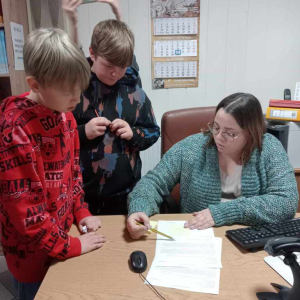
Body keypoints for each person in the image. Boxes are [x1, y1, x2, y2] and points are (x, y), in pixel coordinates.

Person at [0, 28, 106, 300]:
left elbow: (73, 176)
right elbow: (27, 215)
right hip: (32, 255)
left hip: (64, 238)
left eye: (79, 91)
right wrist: (73, 246)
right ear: (35, 84)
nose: (76, 100)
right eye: (67, 92)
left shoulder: (65, 116)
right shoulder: (14, 131)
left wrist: (81, 211)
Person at [126, 93, 299, 239]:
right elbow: (153, 182)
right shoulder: (192, 148)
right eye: (216, 127)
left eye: (230, 133)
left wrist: (224, 212)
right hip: (198, 238)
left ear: (251, 132)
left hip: (249, 239)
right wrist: (139, 209)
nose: (218, 137)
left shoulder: (268, 149)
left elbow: (286, 200)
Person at [63, 0, 160, 215]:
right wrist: (83, 132)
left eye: (122, 67)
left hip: (127, 194)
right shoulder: (76, 88)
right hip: (82, 197)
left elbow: (153, 132)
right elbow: (56, 137)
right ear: (92, 55)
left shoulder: (133, 89)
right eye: (108, 66)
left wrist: (133, 133)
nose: (115, 73)